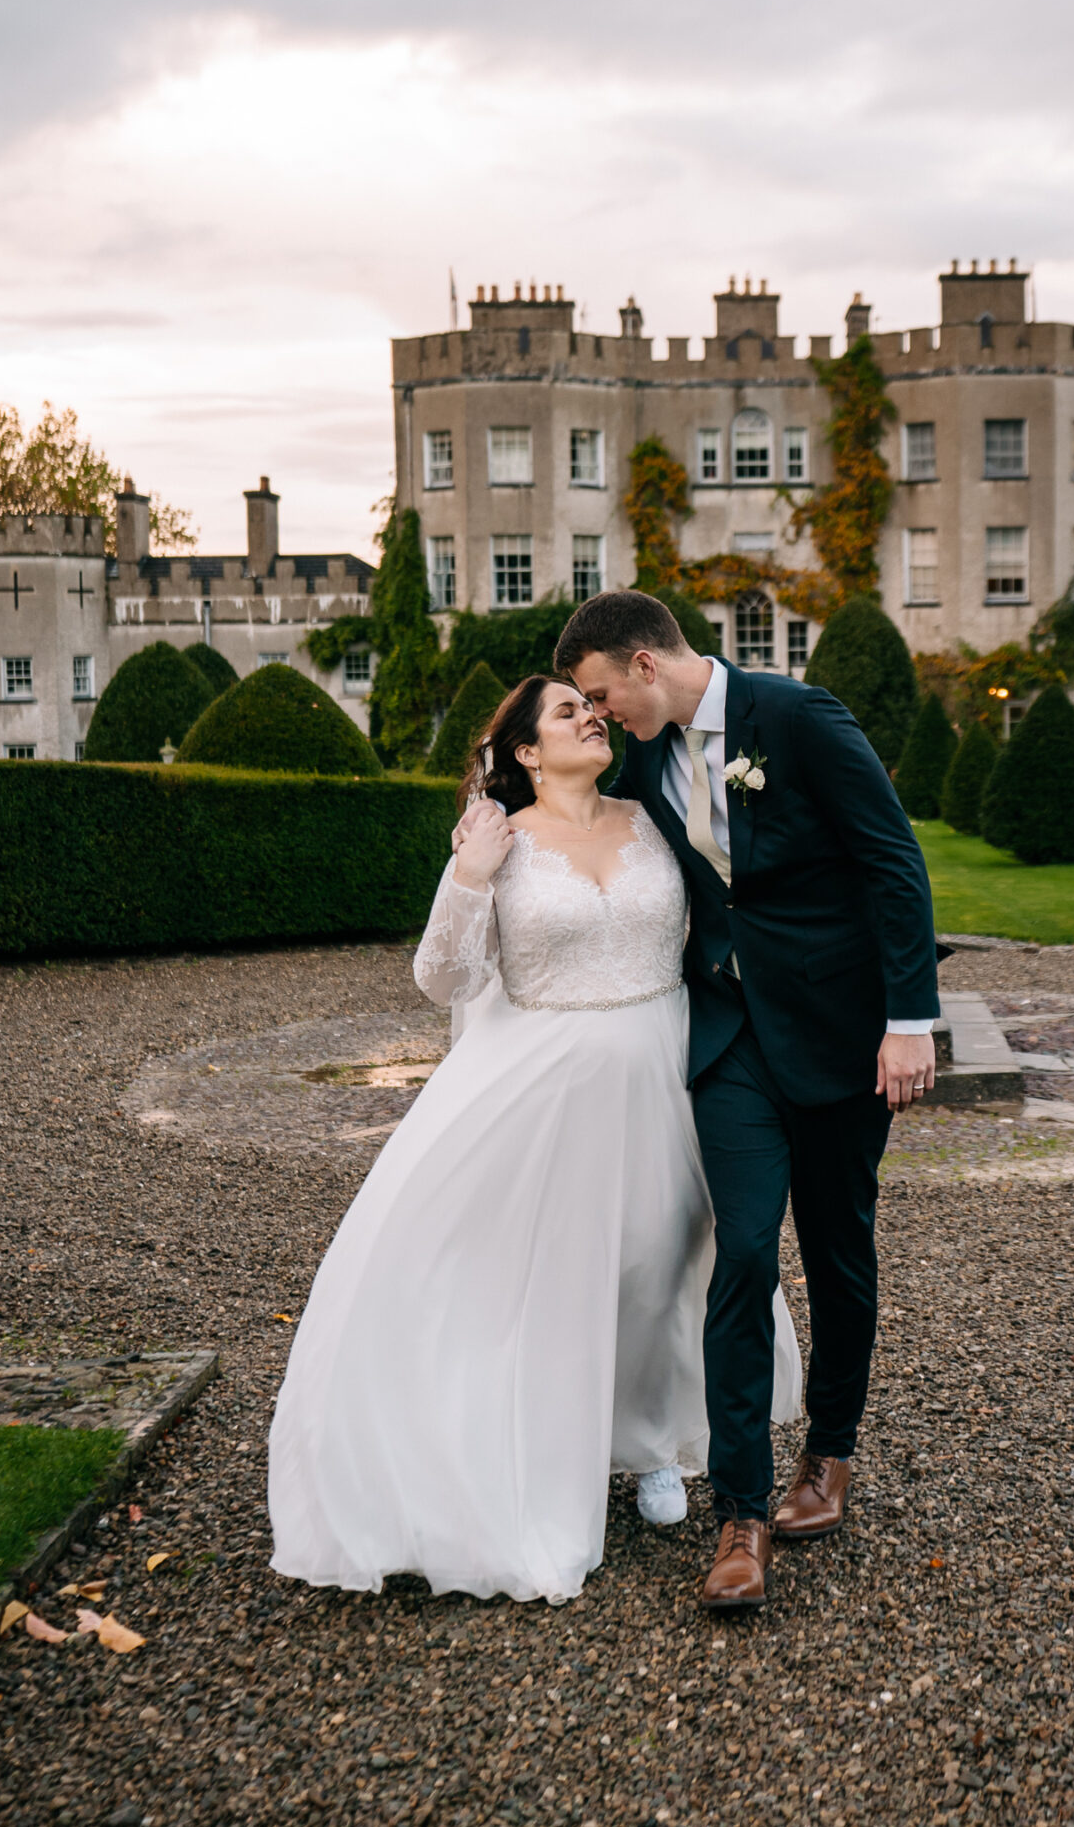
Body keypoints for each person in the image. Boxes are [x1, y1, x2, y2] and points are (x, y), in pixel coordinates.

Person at [268, 673, 802, 1608]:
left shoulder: (652, 820)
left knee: (664, 1262)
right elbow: (444, 978)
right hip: (546, 1084)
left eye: (593, 708)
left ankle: (653, 1446)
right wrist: (469, 873)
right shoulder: (497, 842)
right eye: (568, 711)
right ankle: (542, 1452)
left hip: (670, 1073)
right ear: (525, 751)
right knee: (553, 1275)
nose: (592, 717)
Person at [556, 589, 939, 1613]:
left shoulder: (798, 719)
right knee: (742, 1251)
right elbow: (572, 806)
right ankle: (741, 1514)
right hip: (728, 1038)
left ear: (645, 662)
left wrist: (910, 1019)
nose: (599, 720)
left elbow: (893, 861)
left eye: (600, 696)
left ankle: (832, 1451)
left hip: (842, 1035)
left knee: (839, 1246)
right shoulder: (641, 758)